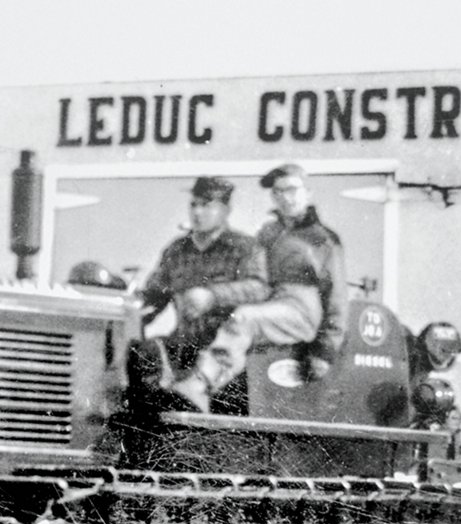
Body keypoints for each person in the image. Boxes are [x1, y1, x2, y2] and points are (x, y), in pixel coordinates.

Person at [167, 163, 347, 412]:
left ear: (308, 192)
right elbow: (256, 281)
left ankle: (200, 383)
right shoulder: (268, 233)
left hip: (301, 307)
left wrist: (325, 351)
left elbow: (336, 296)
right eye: (278, 192)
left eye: (292, 190)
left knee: (244, 319)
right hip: (271, 303)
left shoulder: (323, 238)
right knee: (232, 320)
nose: (286, 197)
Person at [130, 177, 269, 406]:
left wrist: (213, 296)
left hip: (226, 359)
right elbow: (154, 296)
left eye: (207, 205)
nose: (197, 212)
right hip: (182, 352)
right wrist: (129, 306)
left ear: (225, 209)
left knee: (223, 429)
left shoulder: (244, 248)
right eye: (194, 204)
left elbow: (259, 288)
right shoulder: (176, 250)